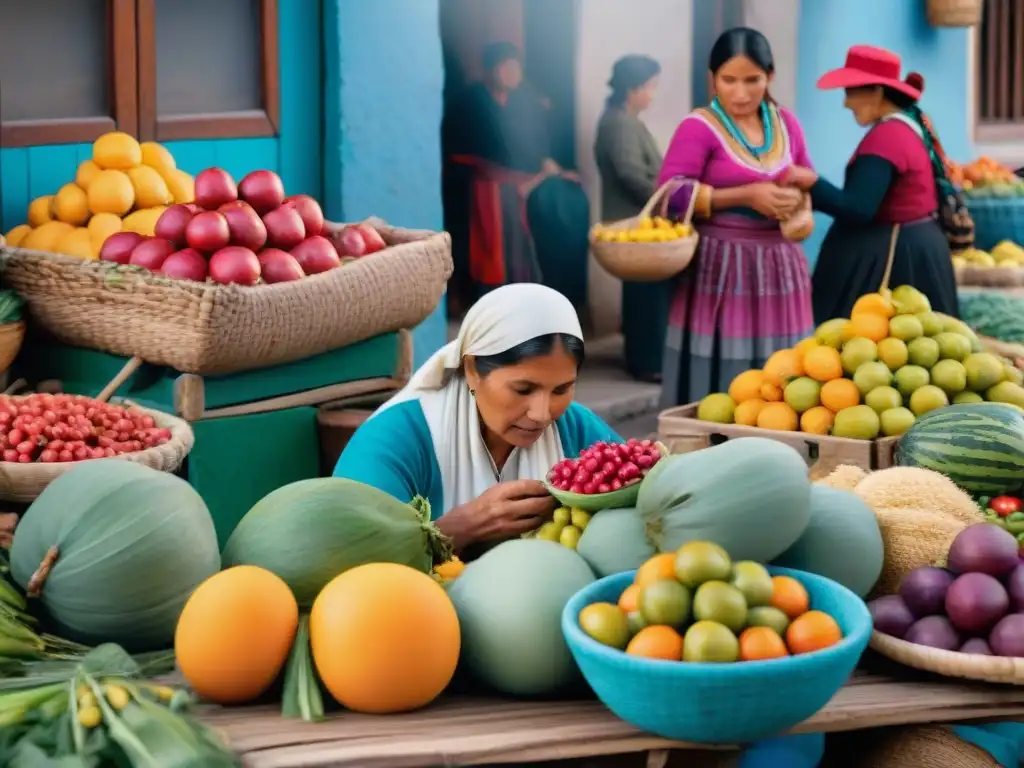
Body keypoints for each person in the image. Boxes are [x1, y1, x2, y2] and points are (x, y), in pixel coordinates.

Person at [332, 283, 618, 554]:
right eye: (523, 389)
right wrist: (459, 528)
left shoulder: (575, 428)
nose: (542, 414)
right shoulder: (396, 439)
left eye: (561, 389)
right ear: (471, 369)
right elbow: (351, 555)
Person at [656, 27, 814, 406]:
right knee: (725, 386)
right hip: (722, 267)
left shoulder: (786, 124)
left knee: (785, 376)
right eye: (728, 80)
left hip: (781, 265)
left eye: (752, 79)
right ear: (713, 78)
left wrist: (800, 184)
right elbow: (668, 198)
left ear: (770, 77)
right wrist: (745, 195)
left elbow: (808, 174)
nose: (740, 93)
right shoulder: (698, 128)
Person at [785, 45, 960, 323]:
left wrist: (813, 184)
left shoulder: (887, 137)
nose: (845, 103)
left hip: (897, 260)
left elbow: (859, 208)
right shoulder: (909, 126)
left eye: (850, 92)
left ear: (877, 91)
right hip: (918, 250)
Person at [442, 42, 590, 311]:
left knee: (532, 238)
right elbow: (464, 149)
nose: (513, 74)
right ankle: (485, 301)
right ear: (490, 71)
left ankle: (524, 300)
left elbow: (537, 145)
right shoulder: (471, 102)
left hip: (523, 183)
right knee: (485, 247)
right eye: (506, 68)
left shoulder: (525, 99)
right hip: (479, 186)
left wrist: (551, 168)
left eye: (516, 68)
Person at [594, 55, 671, 383]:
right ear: (633, 88)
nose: (652, 94)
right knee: (646, 296)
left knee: (646, 294)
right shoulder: (621, 122)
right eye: (650, 87)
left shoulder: (623, 119)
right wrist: (664, 199)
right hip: (634, 222)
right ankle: (646, 361)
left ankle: (646, 357)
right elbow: (630, 173)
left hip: (638, 221)